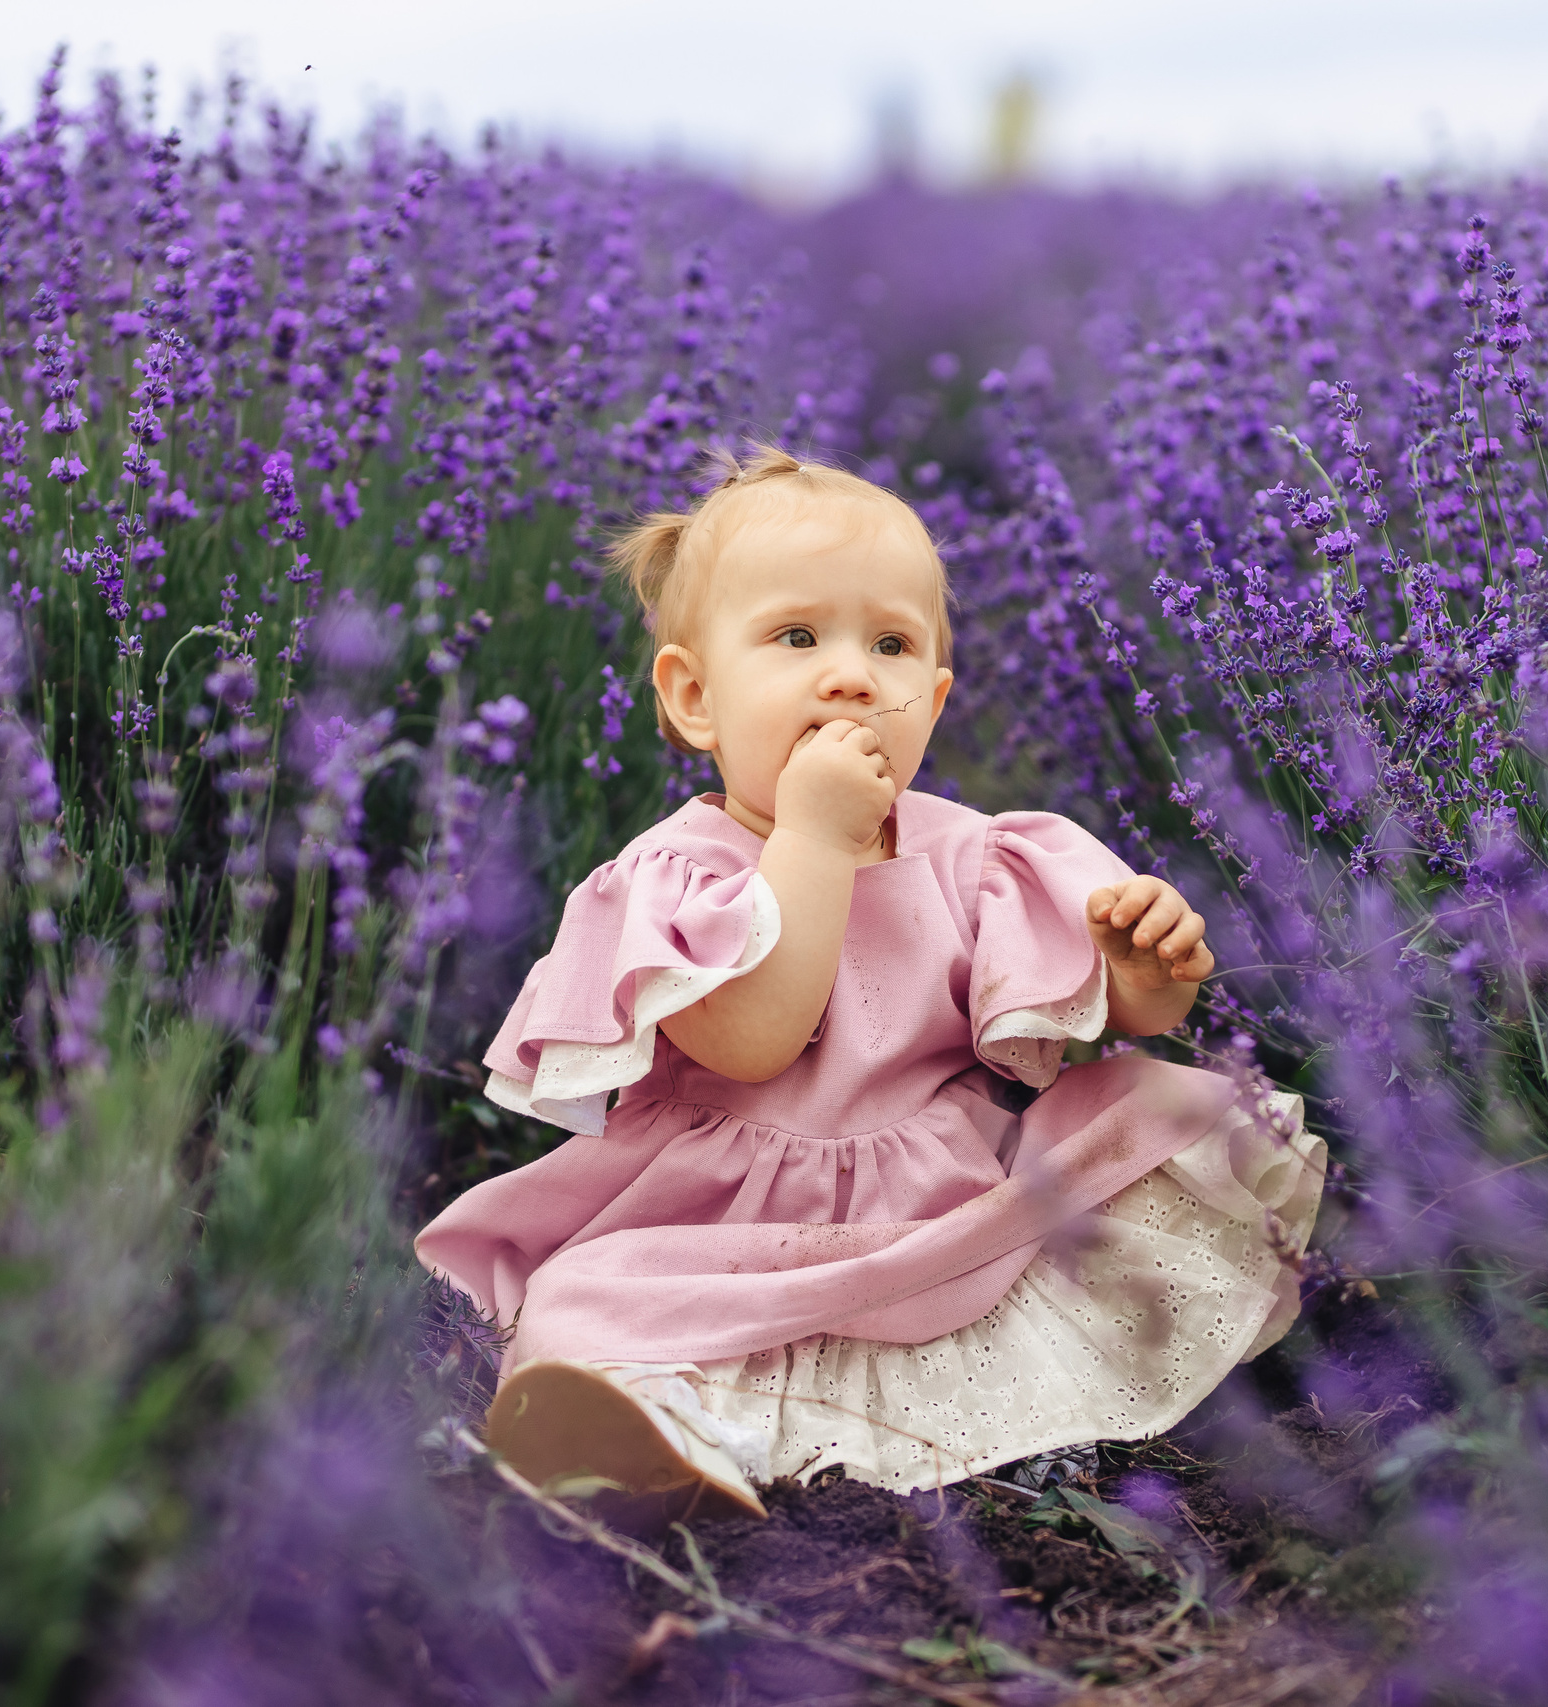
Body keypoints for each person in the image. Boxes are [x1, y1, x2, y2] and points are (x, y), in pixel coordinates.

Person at [417, 445, 1323, 1521]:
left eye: (890, 645)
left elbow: (1102, 1022)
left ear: (932, 700)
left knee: (1161, 1115)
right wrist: (810, 838)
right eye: (796, 637)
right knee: (586, 1304)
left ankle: (992, 1430)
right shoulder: (676, 878)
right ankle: (671, 1440)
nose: (850, 674)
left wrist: (1140, 972)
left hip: (940, 1206)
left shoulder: (978, 855)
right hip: (721, 1229)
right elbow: (754, 1039)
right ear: (695, 697)